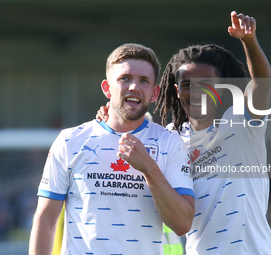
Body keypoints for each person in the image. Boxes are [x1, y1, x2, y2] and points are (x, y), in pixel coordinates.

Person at [97, 11, 271, 254]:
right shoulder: (171, 138)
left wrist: (249, 40)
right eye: (187, 85)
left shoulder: (242, 122)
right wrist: (110, 115)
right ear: (176, 90)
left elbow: (262, 85)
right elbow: (134, 128)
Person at [29, 43, 195, 255]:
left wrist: (149, 169)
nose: (134, 86)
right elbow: (46, 219)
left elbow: (182, 225)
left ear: (154, 93)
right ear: (107, 88)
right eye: (125, 78)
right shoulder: (70, 140)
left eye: (144, 81)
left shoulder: (170, 143)